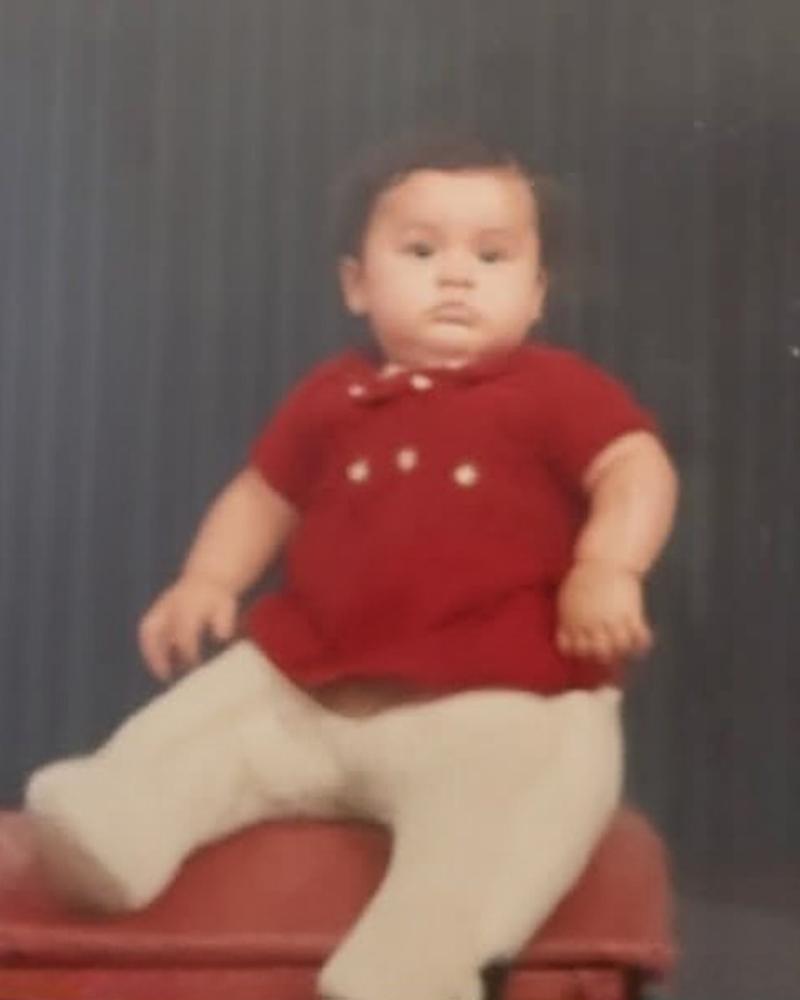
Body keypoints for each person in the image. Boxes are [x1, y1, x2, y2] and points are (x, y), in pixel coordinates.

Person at [25, 133, 679, 1000]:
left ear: (536, 294)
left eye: (491, 256)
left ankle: (414, 965)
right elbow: (262, 495)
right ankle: (118, 826)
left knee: (502, 808)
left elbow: (634, 467)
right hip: (310, 692)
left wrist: (607, 565)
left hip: (491, 703)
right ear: (357, 284)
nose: (456, 276)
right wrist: (208, 580)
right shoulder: (331, 396)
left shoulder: (554, 389)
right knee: (207, 716)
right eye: (421, 251)